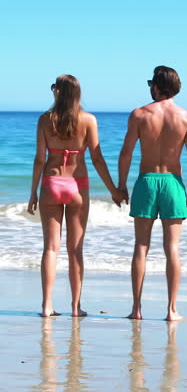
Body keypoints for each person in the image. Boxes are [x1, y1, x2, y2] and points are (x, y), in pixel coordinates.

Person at [28, 75, 123, 317]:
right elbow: (98, 159)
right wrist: (114, 190)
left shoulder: (45, 120)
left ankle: (47, 306)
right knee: (75, 250)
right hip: (77, 185)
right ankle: (75, 307)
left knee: (50, 249)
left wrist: (33, 193)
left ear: (58, 92)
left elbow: (40, 159)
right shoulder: (89, 120)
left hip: (51, 182)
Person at [118, 65, 187, 321]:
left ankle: (136, 309)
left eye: (150, 83)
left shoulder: (139, 114)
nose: (149, 88)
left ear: (157, 86)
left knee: (141, 246)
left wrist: (121, 186)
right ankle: (171, 310)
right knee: (172, 248)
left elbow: (126, 153)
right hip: (173, 183)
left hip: (146, 180)